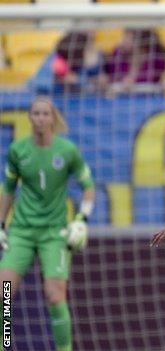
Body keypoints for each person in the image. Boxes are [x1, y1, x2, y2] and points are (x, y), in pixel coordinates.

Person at [0, 97, 95, 351]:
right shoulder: (18, 150)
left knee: (55, 295)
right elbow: (8, 189)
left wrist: (81, 220)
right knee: (4, 293)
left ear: (53, 118)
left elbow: (88, 187)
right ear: (29, 118)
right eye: (35, 113)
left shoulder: (67, 151)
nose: (40, 118)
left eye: (45, 114)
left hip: (54, 233)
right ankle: (4, 342)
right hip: (21, 230)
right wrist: (1, 224)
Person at [105, 28, 165, 95]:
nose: (122, 41)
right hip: (122, 100)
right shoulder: (118, 53)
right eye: (124, 36)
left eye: (128, 38)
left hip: (148, 101)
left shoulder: (156, 58)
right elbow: (110, 79)